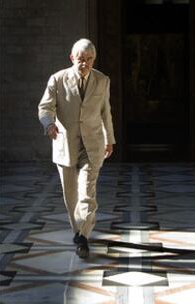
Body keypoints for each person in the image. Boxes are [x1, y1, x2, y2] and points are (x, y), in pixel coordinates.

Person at [38, 39, 116, 258]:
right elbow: (45, 107)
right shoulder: (58, 79)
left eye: (90, 59)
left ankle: (82, 236)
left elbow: (105, 111)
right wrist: (49, 124)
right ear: (72, 58)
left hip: (93, 144)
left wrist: (110, 138)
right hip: (66, 144)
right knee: (71, 195)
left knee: (87, 193)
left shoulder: (102, 80)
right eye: (81, 59)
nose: (85, 64)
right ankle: (78, 232)